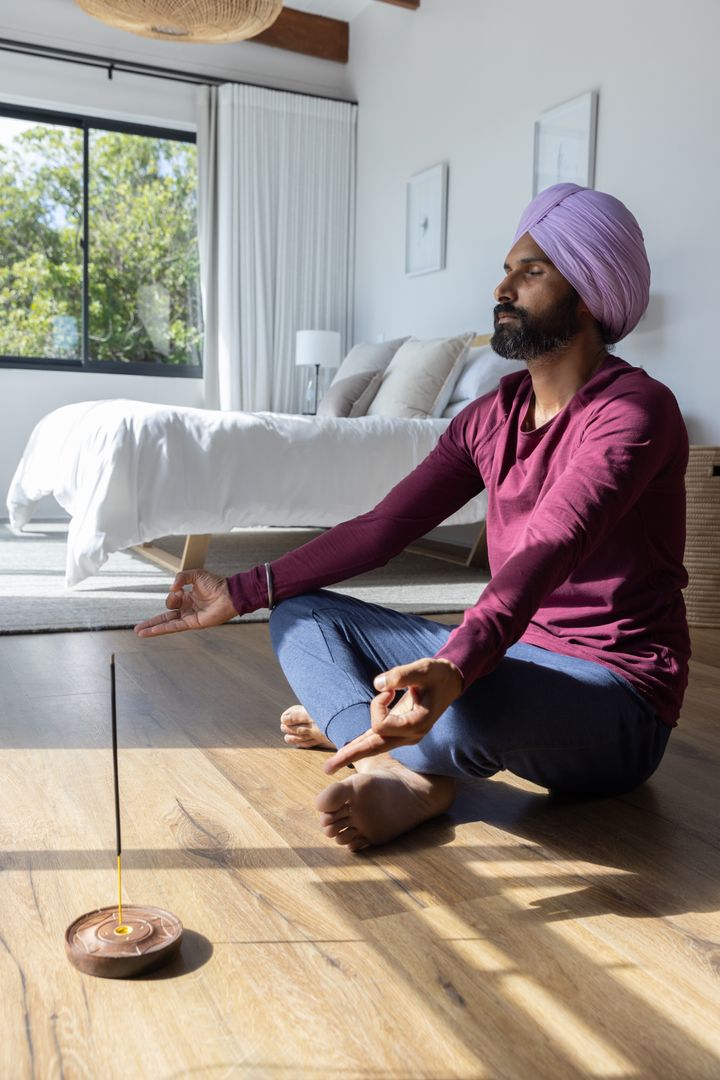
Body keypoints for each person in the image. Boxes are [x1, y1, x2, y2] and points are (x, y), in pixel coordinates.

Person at [135, 183, 690, 854]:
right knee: (299, 617)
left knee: (461, 706)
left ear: (592, 290)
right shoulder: (489, 415)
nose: (503, 287)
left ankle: (366, 724)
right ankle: (388, 761)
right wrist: (244, 591)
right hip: (512, 655)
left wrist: (455, 667)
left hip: (617, 696)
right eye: (509, 268)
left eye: (532, 270)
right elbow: (384, 528)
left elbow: (554, 541)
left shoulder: (636, 410)